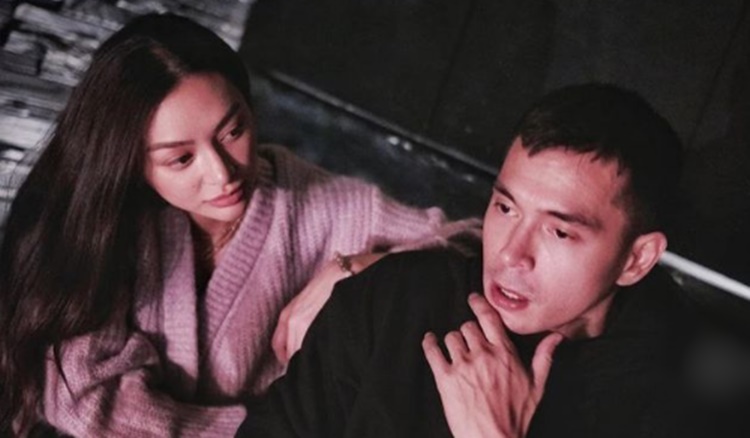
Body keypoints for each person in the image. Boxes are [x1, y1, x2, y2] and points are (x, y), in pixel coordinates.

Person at [0, 13, 480, 437]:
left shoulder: (317, 202)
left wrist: (358, 271)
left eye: (233, 130)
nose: (222, 173)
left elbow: (472, 247)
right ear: (129, 161)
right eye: (181, 158)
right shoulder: (104, 228)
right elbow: (87, 401)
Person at [238, 83, 750, 437]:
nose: (509, 253)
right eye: (506, 207)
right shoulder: (392, 300)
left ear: (636, 259)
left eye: (559, 231)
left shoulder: (688, 407)